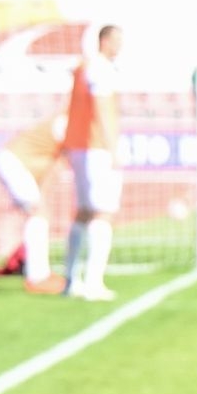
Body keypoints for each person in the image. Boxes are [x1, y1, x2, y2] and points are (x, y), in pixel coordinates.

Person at [62, 24, 123, 301]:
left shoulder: (84, 67)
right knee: (103, 213)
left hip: (80, 146)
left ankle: (71, 279)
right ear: (104, 41)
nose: (120, 46)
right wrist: (112, 148)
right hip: (95, 148)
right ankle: (94, 282)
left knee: (84, 212)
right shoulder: (100, 68)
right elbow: (101, 109)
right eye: (117, 40)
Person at [0, 116, 65, 292]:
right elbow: (56, 163)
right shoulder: (66, 122)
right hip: (13, 164)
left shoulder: (66, 121)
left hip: (16, 164)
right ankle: (38, 277)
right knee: (38, 214)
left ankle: (40, 273)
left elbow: (51, 162)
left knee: (39, 213)